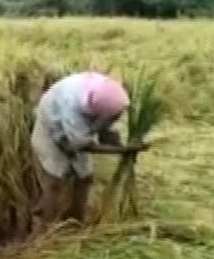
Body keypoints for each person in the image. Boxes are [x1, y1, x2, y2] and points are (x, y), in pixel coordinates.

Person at [31, 71, 150, 224]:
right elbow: (83, 145)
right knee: (56, 181)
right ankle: (45, 227)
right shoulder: (72, 106)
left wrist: (122, 146)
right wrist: (122, 150)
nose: (116, 117)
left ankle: (75, 220)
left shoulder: (111, 95)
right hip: (51, 127)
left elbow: (106, 131)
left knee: (85, 177)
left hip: (78, 130)